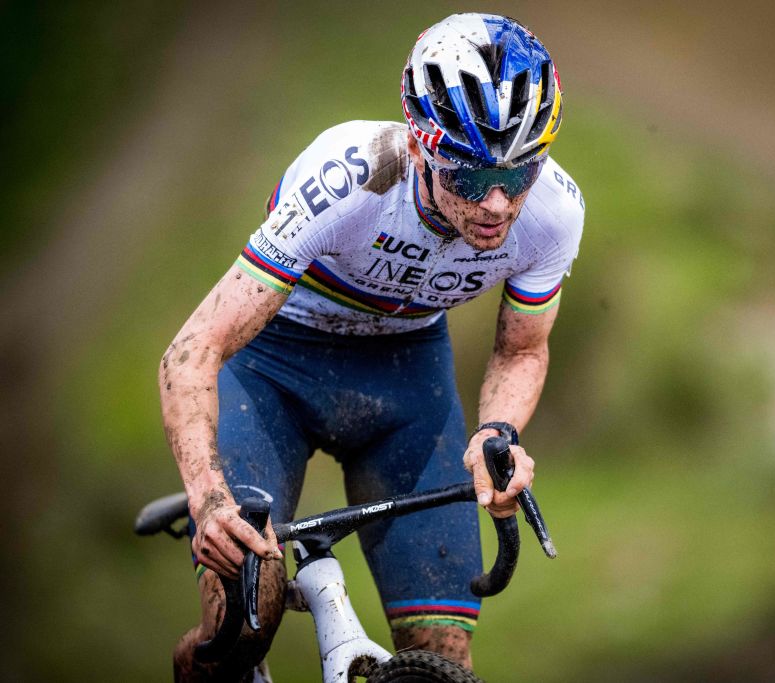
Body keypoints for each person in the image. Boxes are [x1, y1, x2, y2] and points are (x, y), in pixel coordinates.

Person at [159, 12, 584, 681]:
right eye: (470, 178)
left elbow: (523, 350)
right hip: (274, 371)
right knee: (245, 621)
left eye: (519, 175)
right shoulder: (349, 178)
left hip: (407, 382)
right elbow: (191, 350)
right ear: (419, 143)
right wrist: (208, 497)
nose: (499, 204)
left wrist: (498, 432)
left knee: (441, 653)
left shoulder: (555, 213)